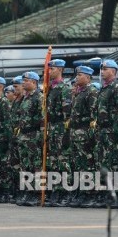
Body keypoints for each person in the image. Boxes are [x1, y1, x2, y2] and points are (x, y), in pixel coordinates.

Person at [95, 60, 118, 208]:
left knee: (115, 163)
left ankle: (117, 195)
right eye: (102, 69)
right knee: (104, 164)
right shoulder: (104, 88)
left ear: (113, 71)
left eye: (105, 69)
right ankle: (106, 194)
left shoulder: (117, 88)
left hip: (112, 131)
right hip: (103, 131)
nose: (102, 71)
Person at [68, 66, 98, 208]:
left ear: (88, 77)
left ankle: (89, 194)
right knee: (78, 164)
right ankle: (81, 191)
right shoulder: (78, 92)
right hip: (75, 133)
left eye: (80, 75)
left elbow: (93, 115)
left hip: (84, 133)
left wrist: (90, 135)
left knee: (88, 165)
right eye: (77, 75)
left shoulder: (91, 92)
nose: (77, 78)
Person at [45, 59, 72, 207]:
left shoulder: (64, 88)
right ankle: (55, 189)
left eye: (53, 69)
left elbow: (67, 113)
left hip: (61, 127)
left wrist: (66, 132)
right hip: (53, 127)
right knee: (53, 161)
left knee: (63, 161)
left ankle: (65, 191)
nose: (50, 71)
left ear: (60, 70)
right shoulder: (50, 88)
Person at [15, 71, 43, 207]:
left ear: (34, 82)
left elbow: (42, 118)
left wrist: (41, 136)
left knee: (36, 165)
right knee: (25, 165)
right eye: (23, 80)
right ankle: (26, 190)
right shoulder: (25, 98)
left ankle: (36, 193)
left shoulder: (39, 97)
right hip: (24, 135)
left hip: (33, 135)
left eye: (26, 80)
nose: (24, 82)